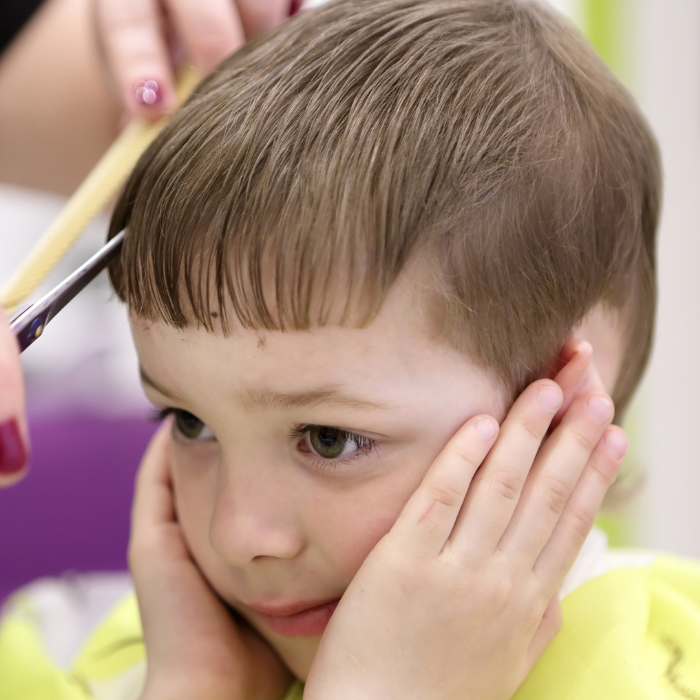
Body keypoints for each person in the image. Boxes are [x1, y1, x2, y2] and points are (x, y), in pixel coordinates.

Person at [2, 1, 699, 699]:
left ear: (561, 410)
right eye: (191, 423)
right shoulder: (76, 657)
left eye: (329, 439)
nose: (237, 533)